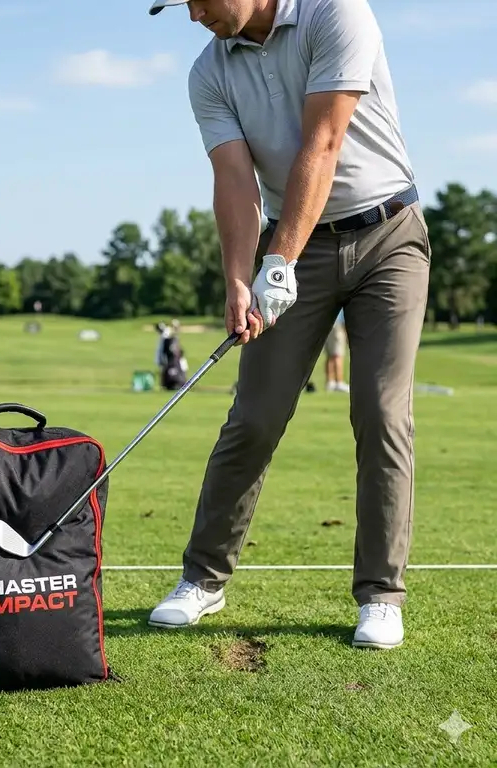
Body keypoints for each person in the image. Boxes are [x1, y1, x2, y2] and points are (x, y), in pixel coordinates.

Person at [147, 0, 431, 649]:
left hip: (387, 235)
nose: (193, 16)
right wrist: (240, 277)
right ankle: (203, 580)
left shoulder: (338, 14)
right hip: (293, 241)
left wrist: (279, 261)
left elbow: (322, 142)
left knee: (383, 411)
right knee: (254, 415)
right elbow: (235, 181)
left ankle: (381, 595)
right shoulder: (208, 72)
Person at [324, 309, 349, 392]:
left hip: (328, 322)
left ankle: (330, 382)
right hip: (337, 323)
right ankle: (339, 382)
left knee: (330, 355)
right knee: (338, 355)